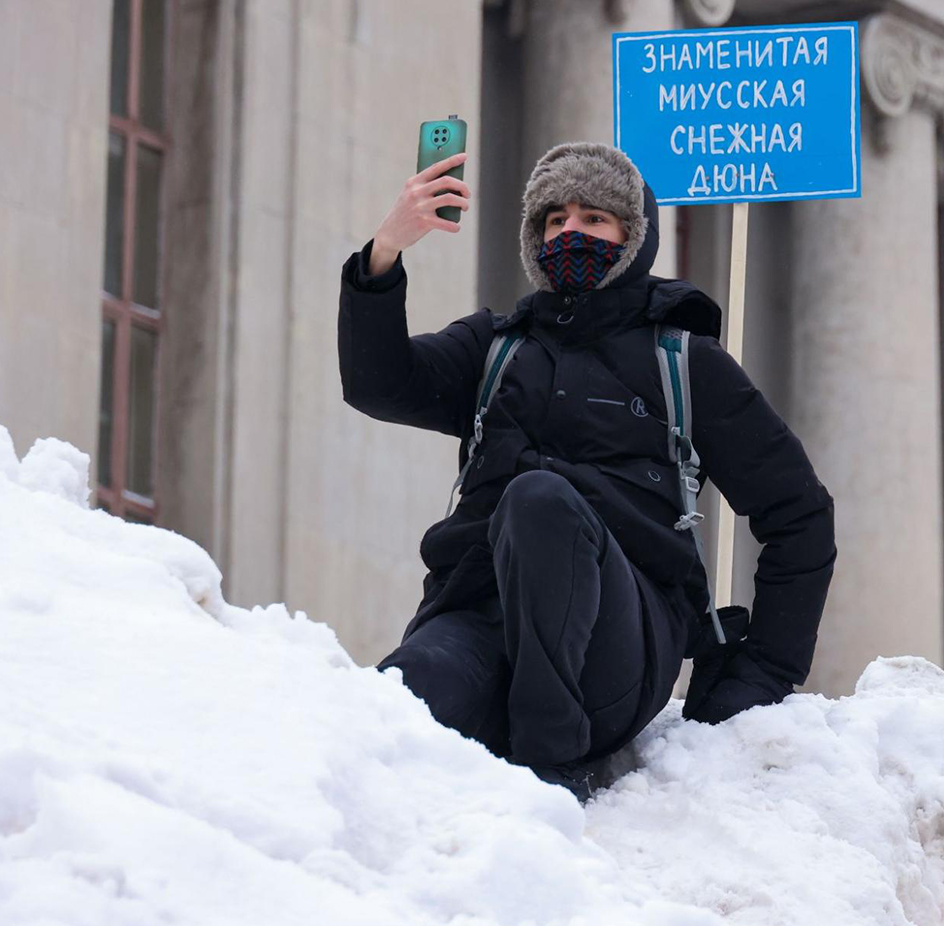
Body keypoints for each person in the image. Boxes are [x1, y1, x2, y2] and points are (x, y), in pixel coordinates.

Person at [337, 141, 836, 802]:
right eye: (554, 218)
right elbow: (378, 383)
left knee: (540, 501)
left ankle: (548, 775)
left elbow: (800, 516)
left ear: (633, 239)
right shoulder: (499, 348)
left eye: (593, 218)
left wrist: (761, 671)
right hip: (480, 618)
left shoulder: (684, 365)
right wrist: (385, 251)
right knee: (392, 713)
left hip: (616, 647)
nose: (569, 230)